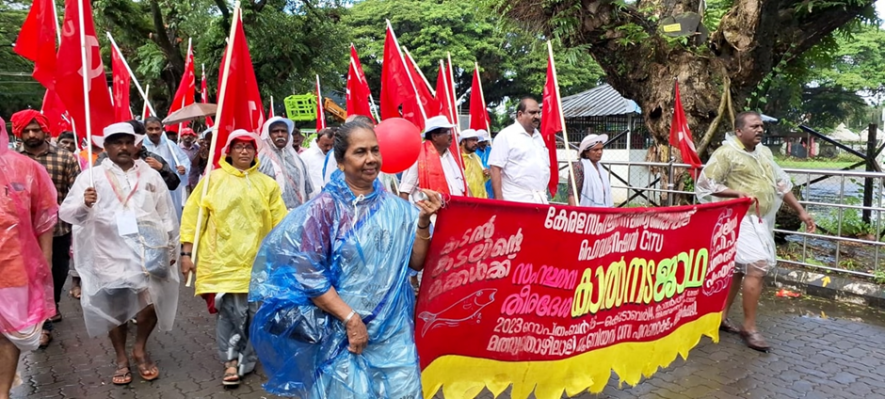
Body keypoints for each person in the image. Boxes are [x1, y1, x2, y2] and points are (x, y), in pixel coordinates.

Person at [249, 121, 442, 398]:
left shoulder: (399, 210)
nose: (371, 159)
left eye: (375, 150)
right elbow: (310, 277)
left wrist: (422, 222)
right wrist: (351, 320)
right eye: (360, 152)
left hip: (393, 333)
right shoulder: (324, 210)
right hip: (342, 335)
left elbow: (415, 263)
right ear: (340, 162)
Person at [59, 122, 180, 385]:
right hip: (107, 252)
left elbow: (165, 212)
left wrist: (171, 245)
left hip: (147, 251)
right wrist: (84, 203)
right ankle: (121, 359)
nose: (123, 147)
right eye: (116, 142)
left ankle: (140, 348)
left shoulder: (150, 175)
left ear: (136, 144)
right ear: (106, 146)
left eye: (128, 141)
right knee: (115, 308)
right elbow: (68, 214)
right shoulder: (91, 177)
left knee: (152, 300)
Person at [696, 111, 815, 352]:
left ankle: (719, 317)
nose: (760, 130)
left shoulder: (764, 153)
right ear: (739, 131)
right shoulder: (726, 153)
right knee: (758, 266)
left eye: (761, 126)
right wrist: (735, 193)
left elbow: (780, 184)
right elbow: (705, 184)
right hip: (738, 220)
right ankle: (749, 328)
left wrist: (801, 212)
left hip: (759, 221)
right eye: (754, 126)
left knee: (740, 270)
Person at [180, 130, 287, 386]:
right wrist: (186, 253)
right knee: (228, 314)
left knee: (252, 314)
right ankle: (230, 361)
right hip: (220, 262)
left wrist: (286, 256)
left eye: (248, 147)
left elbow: (280, 224)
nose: (243, 151)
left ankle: (246, 359)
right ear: (228, 151)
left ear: (255, 152)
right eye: (238, 147)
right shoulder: (211, 181)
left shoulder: (267, 185)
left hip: (256, 264)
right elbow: (192, 219)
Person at [11, 110, 80, 348]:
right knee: (29, 277)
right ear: (18, 133)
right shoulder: (9, 161)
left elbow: (77, 191)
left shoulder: (65, 158)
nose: (31, 134)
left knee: (56, 272)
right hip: (20, 234)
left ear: (44, 130)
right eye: (26, 130)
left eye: (36, 129)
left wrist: (85, 198)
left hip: (58, 230)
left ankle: (53, 303)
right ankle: (43, 323)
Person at [0, 116, 58, 399]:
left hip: (13, 266)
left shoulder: (25, 168)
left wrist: (44, 262)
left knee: (8, 334)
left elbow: (45, 217)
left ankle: (3, 392)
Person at [488, 97, 550, 204]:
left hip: (539, 201)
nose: (537, 116)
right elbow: (495, 168)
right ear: (520, 114)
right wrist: (499, 202)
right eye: (532, 113)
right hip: (515, 200)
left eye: (539, 113)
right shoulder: (506, 135)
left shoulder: (539, 137)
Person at [95, 120, 181, 192]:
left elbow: (173, 185)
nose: (134, 145)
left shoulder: (152, 158)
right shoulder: (105, 159)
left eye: (138, 141)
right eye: (130, 141)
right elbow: (95, 184)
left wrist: (161, 169)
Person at [399, 115, 466, 198]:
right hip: (429, 210)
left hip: (456, 209)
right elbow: (405, 191)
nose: (450, 135)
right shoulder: (420, 159)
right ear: (435, 136)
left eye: (450, 132)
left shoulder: (453, 157)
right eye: (447, 132)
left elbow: (464, 186)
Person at [258, 117, 315, 209]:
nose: (280, 135)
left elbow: (308, 189)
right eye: (275, 131)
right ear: (268, 135)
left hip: (298, 215)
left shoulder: (297, 159)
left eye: (283, 131)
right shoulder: (260, 159)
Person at [143, 117, 190, 220]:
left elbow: (183, 159)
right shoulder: (141, 146)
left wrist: (183, 168)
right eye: (150, 129)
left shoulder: (170, 144)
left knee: (171, 215)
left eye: (157, 128)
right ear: (144, 130)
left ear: (162, 129)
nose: (154, 132)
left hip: (169, 187)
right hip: (149, 188)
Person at [567, 134, 613, 207]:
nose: (600, 152)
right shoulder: (578, 167)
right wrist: (575, 213)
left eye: (601, 149)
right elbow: (572, 193)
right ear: (586, 152)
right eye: (596, 150)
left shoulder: (600, 169)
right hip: (585, 214)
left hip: (602, 213)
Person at [303, 127, 335, 191]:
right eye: (326, 145)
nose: (329, 148)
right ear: (317, 141)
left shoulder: (336, 155)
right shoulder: (306, 156)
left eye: (332, 145)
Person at [459, 129, 488, 198]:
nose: (476, 143)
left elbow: (479, 180)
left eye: (476, 140)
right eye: (473, 140)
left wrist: (486, 174)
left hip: (481, 201)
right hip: (467, 203)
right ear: (463, 141)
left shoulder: (476, 158)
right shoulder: (458, 159)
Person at [476, 129, 494, 199]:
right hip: (478, 184)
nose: (483, 143)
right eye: (481, 142)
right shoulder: (472, 152)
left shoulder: (492, 150)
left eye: (485, 141)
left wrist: (490, 171)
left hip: (490, 185)